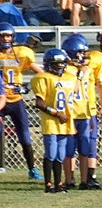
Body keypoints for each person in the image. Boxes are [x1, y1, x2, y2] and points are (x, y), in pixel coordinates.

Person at [62, 33, 102, 189]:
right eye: (79, 53)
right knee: (69, 149)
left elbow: (101, 84)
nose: (83, 56)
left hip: (86, 114)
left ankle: (85, 180)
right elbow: (71, 90)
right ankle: (69, 180)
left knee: (85, 148)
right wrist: (80, 74)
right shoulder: (66, 70)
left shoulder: (90, 66)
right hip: (70, 114)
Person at [0, 23, 44, 180]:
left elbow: (42, 75)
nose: (6, 39)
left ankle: (32, 169)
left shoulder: (21, 54)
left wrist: (27, 88)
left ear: (13, 37)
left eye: (8, 36)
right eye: (3, 35)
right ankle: (1, 166)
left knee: (25, 135)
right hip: (0, 99)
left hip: (16, 100)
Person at [30, 48, 76, 192]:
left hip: (66, 121)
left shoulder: (70, 77)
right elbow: (39, 103)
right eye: (56, 63)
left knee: (61, 155)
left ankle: (59, 184)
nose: (59, 66)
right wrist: (56, 113)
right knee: (51, 152)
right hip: (51, 120)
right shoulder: (43, 78)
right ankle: (48, 184)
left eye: (61, 63)